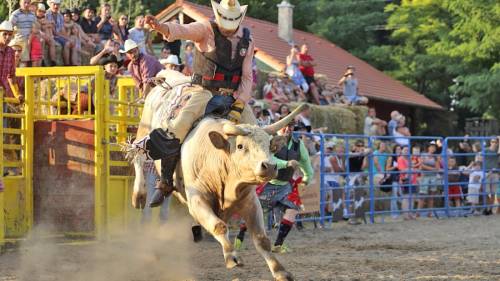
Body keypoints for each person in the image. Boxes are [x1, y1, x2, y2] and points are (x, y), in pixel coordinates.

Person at [137, 0, 258, 207]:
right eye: (224, 24)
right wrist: (162, 27)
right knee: (177, 128)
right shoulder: (205, 28)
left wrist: (240, 103)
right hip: (204, 92)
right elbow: (183, 30)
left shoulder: (247, 40)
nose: (227, 29)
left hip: (234, 98)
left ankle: (253, 184)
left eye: (231, 24)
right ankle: (165, 182)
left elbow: (247, 76)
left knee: (256, 134)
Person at [258, 118, 313, 253]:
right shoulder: (271, 139)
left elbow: (306, 163)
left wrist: (307, 178)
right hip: (266, 183)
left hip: (285, 185)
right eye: (285, 126)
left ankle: (278, 244)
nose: (288, 129)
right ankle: (240, 237)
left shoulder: (297, 144)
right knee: (254, 211)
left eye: (291, 126)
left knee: (292, 209)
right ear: (279, 127)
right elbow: (268, 159)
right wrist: (286, 164)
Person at [10, 0, 37, 66]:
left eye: (28, 3)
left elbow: (34, 28)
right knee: (21, 58)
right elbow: (10, 27)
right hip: (19, 37)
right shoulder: (15, 14)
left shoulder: (32, 14)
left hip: (30, 37)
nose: (26, 4)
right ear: (20, 3)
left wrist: (30, 38)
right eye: (25, 2)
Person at [45, 0, 73, 65]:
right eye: (54, 4)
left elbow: (62, 29)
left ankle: (67, 64)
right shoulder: (46, 14)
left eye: (57, 4)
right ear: (50, 4)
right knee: (58, 43)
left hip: (58, 36)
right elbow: (52, 31)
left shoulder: (60, 16)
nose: (56, 6)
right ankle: (53, 62)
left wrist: (68, 38)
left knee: (69, 43)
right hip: (50, 35)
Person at [417, 142, 440, 217]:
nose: (433, 148)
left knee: (431, 196)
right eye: (431, 147)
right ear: (428, 148)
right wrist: (432, 169)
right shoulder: (423, 155)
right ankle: (418, 212)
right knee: (422, 195)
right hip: (425, 177)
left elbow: (437, 168)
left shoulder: (436, 157)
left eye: (434, 147)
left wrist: (430, 169)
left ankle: (430, 213)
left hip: (433, 177)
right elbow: (421, 165)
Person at [397, 146, 417, 220]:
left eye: (408, 150)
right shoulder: (400, 159)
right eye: (405, 150)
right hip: (405, 180)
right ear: (401, 151)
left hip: (413, 180)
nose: (406, 151)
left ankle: (410, 213)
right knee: (406, 197)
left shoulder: (409, 159)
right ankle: (405, 215)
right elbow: (402, 170)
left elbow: (413, 168)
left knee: (412, 197)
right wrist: (411, 169)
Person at [0, 21, 18, 99]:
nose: (8, 37)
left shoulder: (11, 52)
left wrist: (17, 94)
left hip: (3, 93)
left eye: (10, 34)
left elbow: (11, 75)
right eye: (5, 34)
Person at [483, 137, 499, 215]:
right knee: (486, 192)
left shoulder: (497, 151)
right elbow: (480, 158)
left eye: (496, 142)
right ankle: (487, 207)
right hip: (486, 172)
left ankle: (490, 209)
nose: (494, 143)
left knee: (493, 192)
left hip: (495, 173)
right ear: (490, 142)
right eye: (493, 142)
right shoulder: (486, 150)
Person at [386, 144, 402, 218]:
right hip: (394, 178)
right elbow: (387, 169)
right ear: (394, 150)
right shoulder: (391, 158)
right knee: (394, 196)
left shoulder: (402, 158)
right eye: (397, 149)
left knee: (401, 196)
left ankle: (401, 211)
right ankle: (394, 213)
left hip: (401, 179)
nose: (399, 151)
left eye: (400, 149)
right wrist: (395, 166)